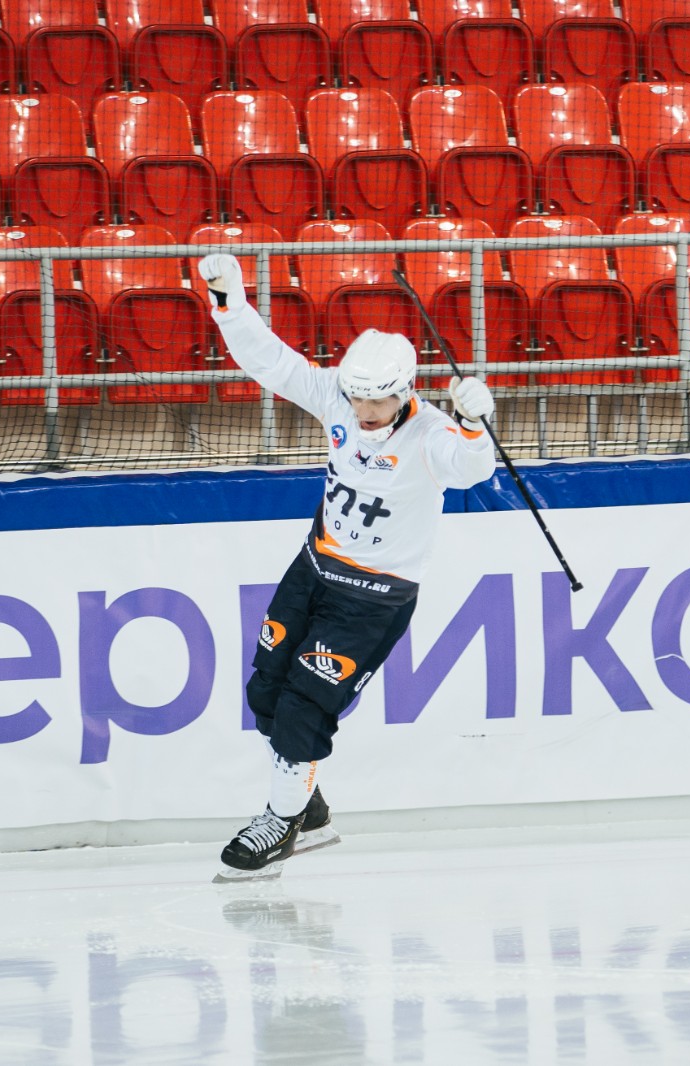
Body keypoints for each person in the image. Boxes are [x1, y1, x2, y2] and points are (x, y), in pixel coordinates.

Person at [199, 252, 498, 881]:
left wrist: (475, 422)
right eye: (358, 398)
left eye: (378, 402)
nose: (364, 414)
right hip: (315, 567)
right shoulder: (337, 399)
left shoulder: (431, 434)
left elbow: (472, 471)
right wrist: (229, 300)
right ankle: (309, 811)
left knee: (306, 707)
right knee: (266, 693)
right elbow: (271, 361)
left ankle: (280, 824)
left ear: (406, 391)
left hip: (374, 598)